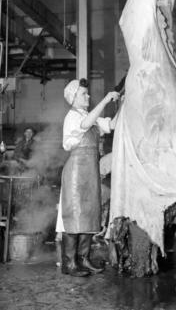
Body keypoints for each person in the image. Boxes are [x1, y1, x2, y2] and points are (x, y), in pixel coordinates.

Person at [56, 78, 119, 277]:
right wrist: (106, 100)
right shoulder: (73, 116)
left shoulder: (88, 115)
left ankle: (83, 258)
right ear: (73, 98)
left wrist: (123, 103)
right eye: (84, 94)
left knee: (90, 214)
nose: (88, 96)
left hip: (90, 170)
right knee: (75, 215)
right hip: (76, 169)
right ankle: (69, 263)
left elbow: (111, 125)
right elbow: (86, 124)